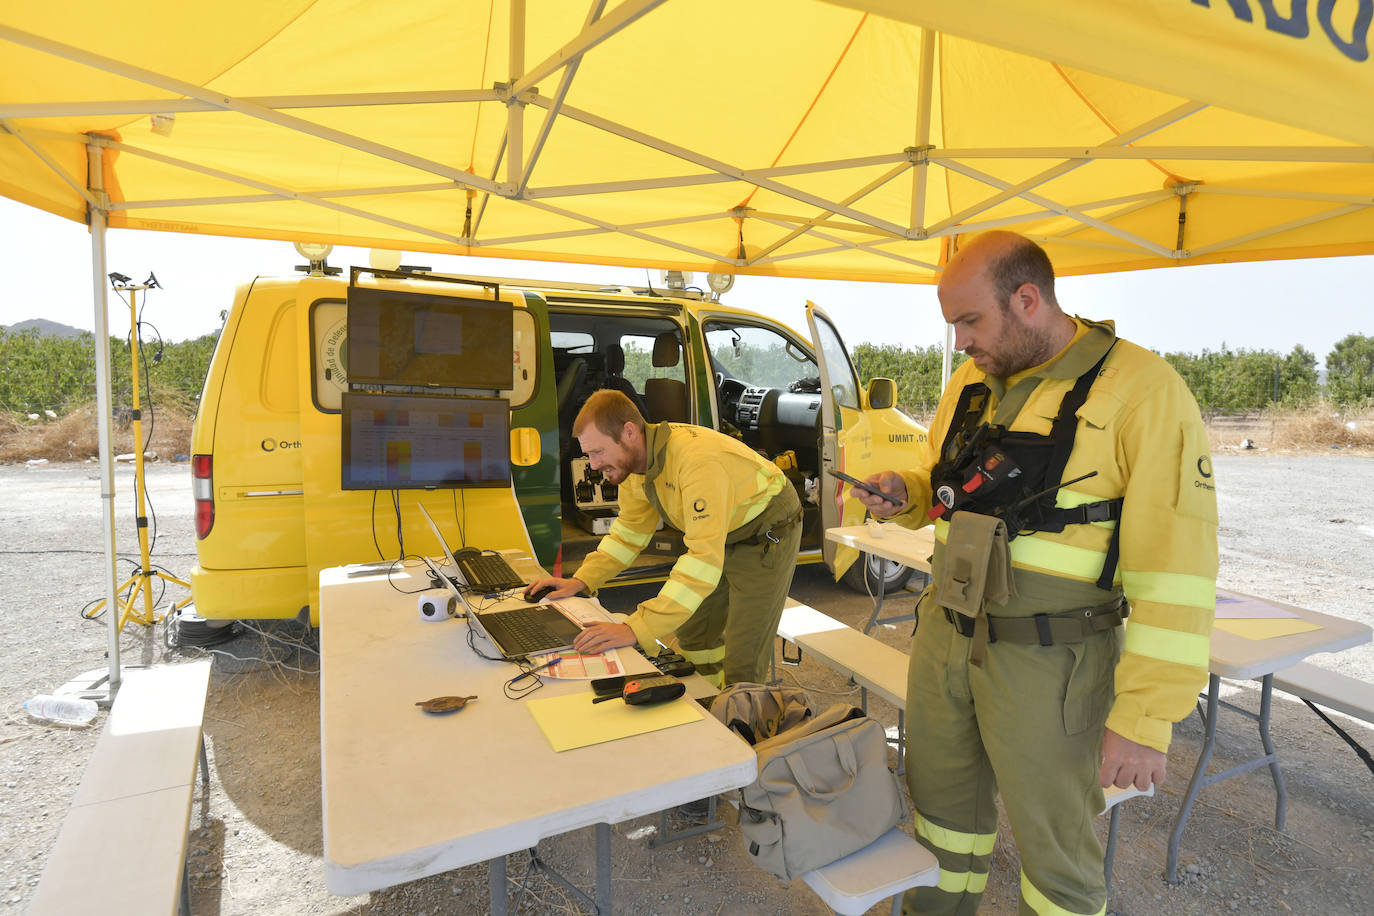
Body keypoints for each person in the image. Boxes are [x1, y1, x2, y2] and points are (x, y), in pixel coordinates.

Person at [852, 231, 1217, 915]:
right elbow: (946, 484)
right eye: (952, 324)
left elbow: (1178, 572)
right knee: (940, 816)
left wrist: (1143, 715)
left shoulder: (1143, 390)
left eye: (969, 321)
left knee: (1056, 851)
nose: (959, 342)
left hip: (1052, 659)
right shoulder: (970, 383)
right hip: (946, 636)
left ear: (1027, 300)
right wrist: (904, 493)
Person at [524, 389, 802, 687]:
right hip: (723, 534)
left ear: (628, 432)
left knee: (744, 655)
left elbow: (702, 561)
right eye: (588, 454)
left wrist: (636, 629)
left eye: (597, 452)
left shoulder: (696, 463)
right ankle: (710, 703)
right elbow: (628, 535)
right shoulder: (635, 467)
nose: (592, 465)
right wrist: (581, 581)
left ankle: (743, 720)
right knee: (695, 635)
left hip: (765, 535)